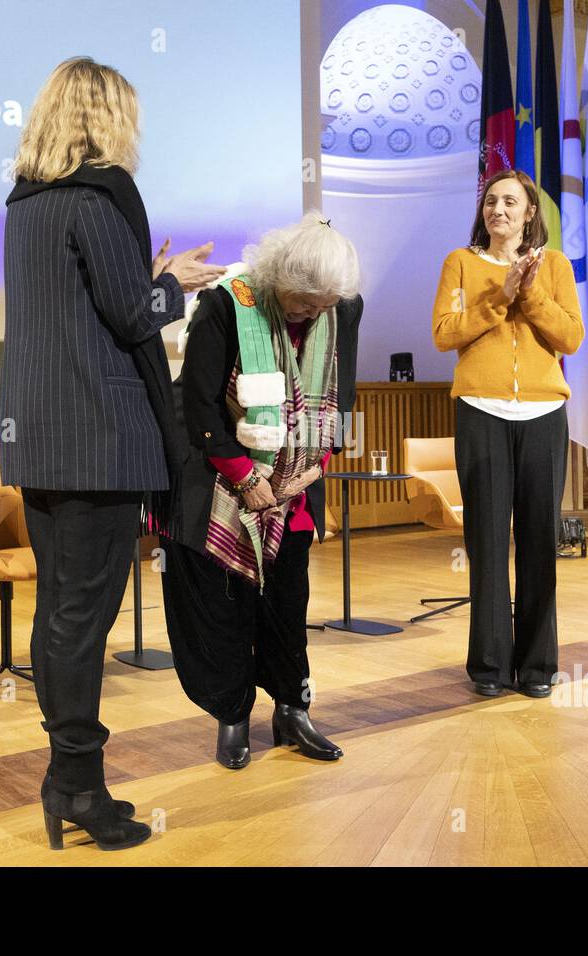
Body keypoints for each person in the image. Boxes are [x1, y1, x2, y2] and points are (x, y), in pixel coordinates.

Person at [0, 57, 224, 851]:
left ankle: (71, 780)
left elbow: (76, 311)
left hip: (43, 437)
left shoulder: (25, 207)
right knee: (82, 621)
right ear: (104, 118)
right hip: (97, 438)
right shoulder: (99, 197)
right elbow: (133, 318)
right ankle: (76, 786)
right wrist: (174, 282)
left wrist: (146, 278)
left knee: (59, 610)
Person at [161, 212, 362, 770]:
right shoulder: (231, 302)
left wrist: (314, 468)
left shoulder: (341, 308)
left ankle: (292, 709)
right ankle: (232, 714)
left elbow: (339, 400)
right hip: (222, 481)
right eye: (303, 302)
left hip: (295, 484)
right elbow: (198, 406)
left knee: (287, 602)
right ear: (278, 277)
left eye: (323, 305)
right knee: (226, 605)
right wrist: (246, 477)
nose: (312, 314)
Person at [431, 169, 584, 699]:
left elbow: (570, 336)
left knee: (541, 541)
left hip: (543, 415)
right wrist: (500, 295)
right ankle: (490, 667)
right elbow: (444, 334)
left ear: (529, 213)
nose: (499, 209)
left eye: (510, 202)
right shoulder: (461, 263)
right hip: (481, 412)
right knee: (488, 544)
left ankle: (539, 666)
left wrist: (531, 292)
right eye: (491, 201)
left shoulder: (557, 266)